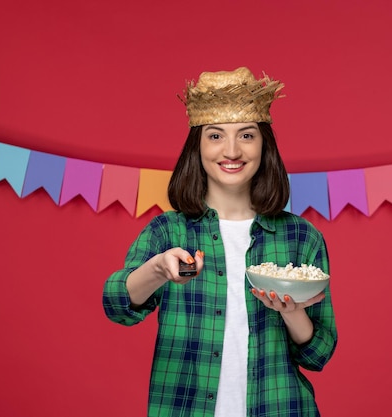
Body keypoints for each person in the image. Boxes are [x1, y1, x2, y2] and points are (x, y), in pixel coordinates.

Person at [102, 67, 337, 417]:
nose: (231, 151)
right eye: (215, 136)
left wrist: (293, 313)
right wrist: (157, 269)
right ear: (197, 147)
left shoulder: (300, 237)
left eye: (246, 135)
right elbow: (117, 305)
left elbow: (318, 354)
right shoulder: (168, 232)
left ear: (263, 145)